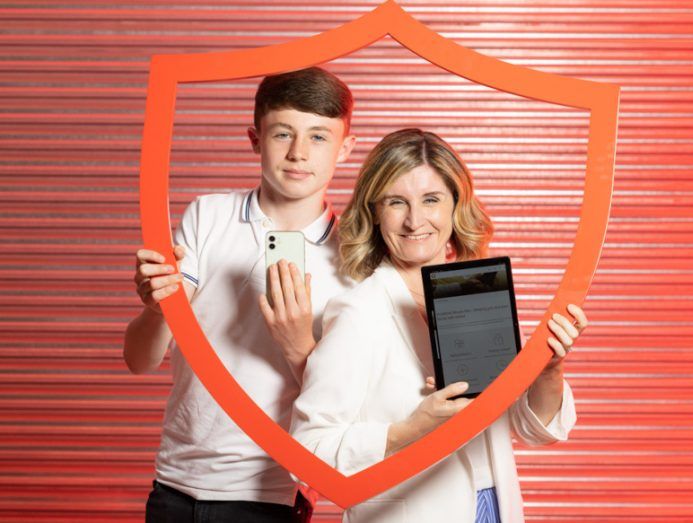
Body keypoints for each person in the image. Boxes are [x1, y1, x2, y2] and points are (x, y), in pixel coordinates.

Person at [290, 129, 587, 523]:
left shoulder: (476, 293)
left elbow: (532, 429)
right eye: (397, 202)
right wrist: (410, 429)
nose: (415, 221)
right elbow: (307, 452)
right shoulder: (359, 311)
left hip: (495, 508)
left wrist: (547, 369)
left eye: (431, 199)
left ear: (454, 205)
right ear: (375, 211)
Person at [123, 67, 356, 522]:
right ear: (255, 138)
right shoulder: (208, 216)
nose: (298, 153)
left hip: (269, 496)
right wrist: (157, 311)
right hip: (173, 484)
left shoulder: (354, 255)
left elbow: (348, 400)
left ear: (345, 148)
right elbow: (139, 359)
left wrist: (298, 345)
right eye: (283, 133)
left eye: (319, 137)